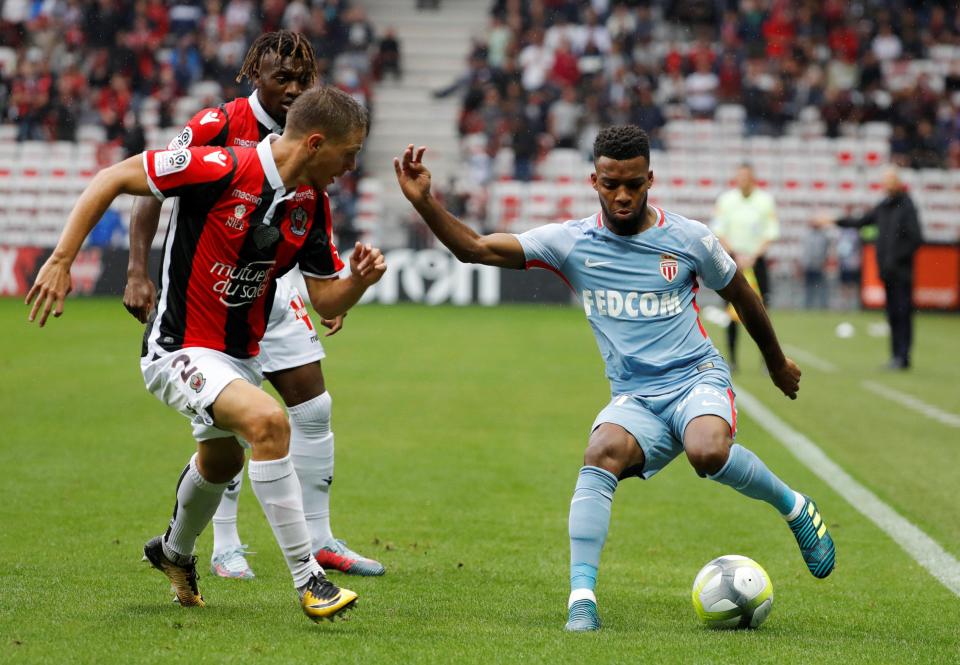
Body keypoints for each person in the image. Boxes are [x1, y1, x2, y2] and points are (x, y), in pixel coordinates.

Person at [394, 125, 835, 633]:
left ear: (650, 179)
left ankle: (795, 507)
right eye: (610, 184)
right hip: (635, 399)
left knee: (708, 450)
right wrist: (426, 203)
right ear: (594, 181)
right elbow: (474, 247)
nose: (622, 196)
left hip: (696, 378)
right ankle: (581, 600)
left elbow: (741, 292)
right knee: (599, 453)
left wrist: (777, 362)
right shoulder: (572, 242)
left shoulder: (688, 238)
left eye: (632, 184)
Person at [26, 86, 383, 623]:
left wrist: (357, 281)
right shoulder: (219, 166)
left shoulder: (311, 203)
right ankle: (311, 580)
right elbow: (111, 178)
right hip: (178, 348)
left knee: (223, 461)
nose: (351, 166)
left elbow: (327, 297)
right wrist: (60, 259)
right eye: (349, 152)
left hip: (240, 358)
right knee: (268, 422)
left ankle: (172, 551)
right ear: (315, 142)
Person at [123, 31, 385, 580]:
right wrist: (137, 270)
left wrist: (340, 287)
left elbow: (315, 243)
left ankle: (320, 537)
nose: (291, 87)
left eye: (301, 79)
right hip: (212, 271)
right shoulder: (217, 129)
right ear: (254, 77)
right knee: (246, 415)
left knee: (310, 408)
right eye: (279, 78)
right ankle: (227, 542)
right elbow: (149, 187)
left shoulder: (315, 161)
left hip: (274, 278)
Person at [831, 167, 922, 369]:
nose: (886, 185)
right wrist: (835, 221)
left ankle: (903, 356)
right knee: (892, 314)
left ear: (898, 183)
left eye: (890, 181)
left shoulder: (907, 206)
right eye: (885, 181)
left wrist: (896, 259)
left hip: (902, 272)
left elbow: (916, 238)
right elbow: (861, 221)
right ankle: (896, 356)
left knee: (902, 314)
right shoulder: (883, 206)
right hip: (888, 273)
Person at [712, 163, 780, 371]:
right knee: (732, 310)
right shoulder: (726, 200)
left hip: (756, 261)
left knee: (762, 309)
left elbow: (771, 232)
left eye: (746, 177)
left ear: (753, 179)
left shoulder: (765, 200)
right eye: (739, 177)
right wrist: (736, 254)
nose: (742, 180)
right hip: (733, 260)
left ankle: (766, 360)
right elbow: (719, 230)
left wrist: (753, 255)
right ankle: (732, 359)